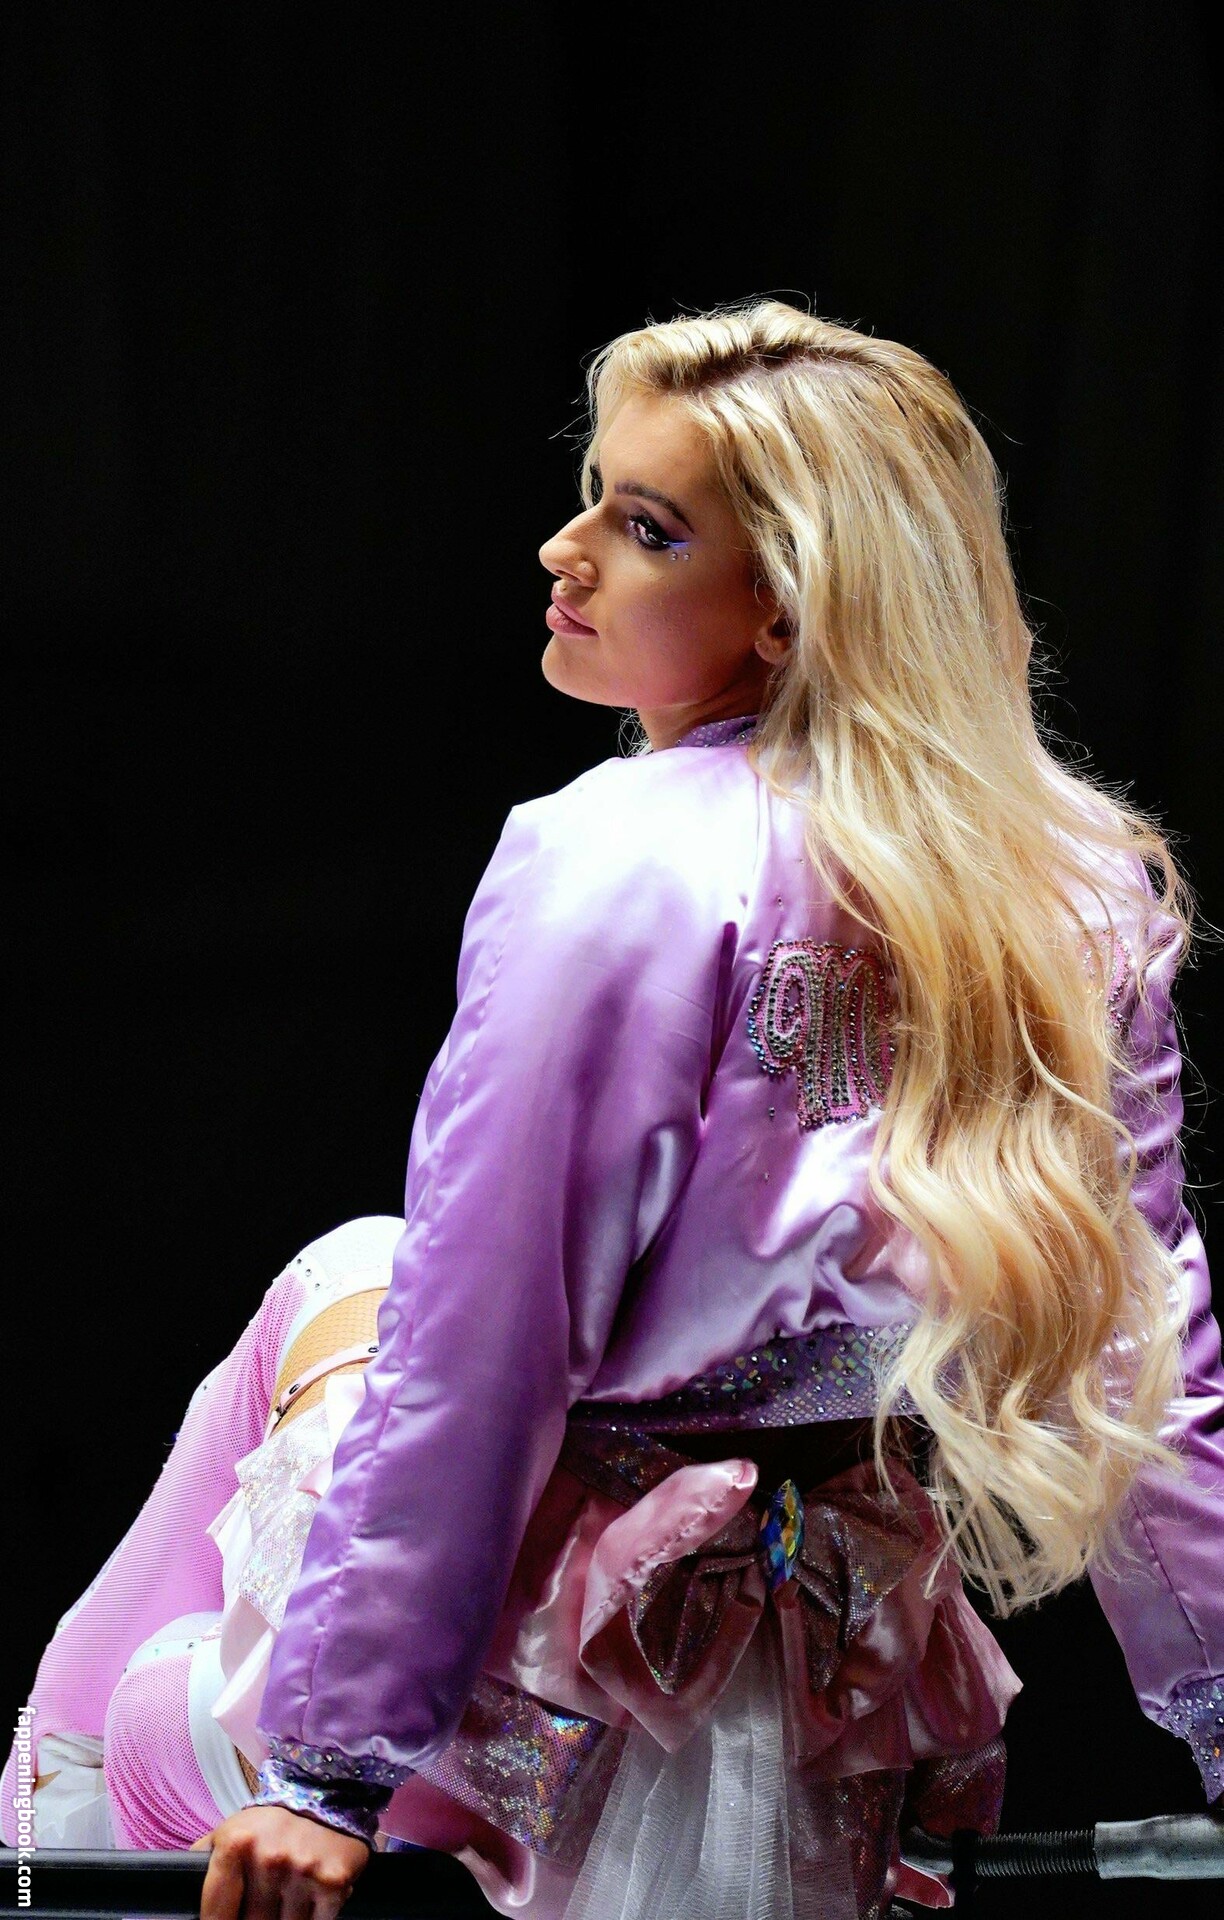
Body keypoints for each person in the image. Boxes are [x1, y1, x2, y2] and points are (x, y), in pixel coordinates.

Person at [21, 299, 1224, 1920]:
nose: (563, 550)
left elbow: (489, 1333)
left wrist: (331, 1768)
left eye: (646, 528)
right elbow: (1147, 1357)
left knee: (121, 1706)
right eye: (595, 496)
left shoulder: (614, 855)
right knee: (352, 1267)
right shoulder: (1069, 884)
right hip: (836, 1689)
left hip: (544, 1711)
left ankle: (58, 1796)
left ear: (789, 608)